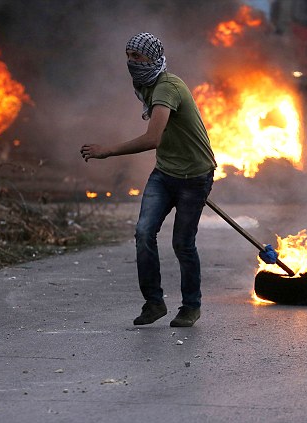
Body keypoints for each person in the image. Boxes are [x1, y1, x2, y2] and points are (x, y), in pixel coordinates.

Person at [80, 32, 217, 327]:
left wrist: (107, 151)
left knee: (183, 243)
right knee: (144, 233)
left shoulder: (167, 88)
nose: (131, 62)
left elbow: (153, 138)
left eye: (137, 57)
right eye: (128, 56)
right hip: (165, 173)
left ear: (153, 59)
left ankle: (191, 306)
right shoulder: (146, 84)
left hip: (194, 177)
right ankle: (154, 303)